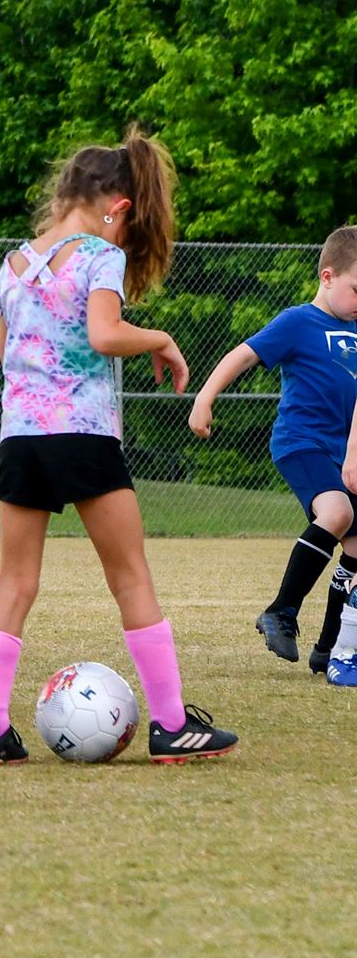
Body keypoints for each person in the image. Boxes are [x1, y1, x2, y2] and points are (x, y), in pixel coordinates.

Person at [0, 130, 235, 765]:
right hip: (83, 435)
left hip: (20, 439)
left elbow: (7, 354)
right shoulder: (98, 257)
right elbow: (105, 333)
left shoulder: (13, 263)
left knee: (14, 582)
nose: (124, 236)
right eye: (126, 221)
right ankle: (171, 724)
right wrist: (161, 337)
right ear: (116, 205)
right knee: (130, 575)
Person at [190, 224, 357, 677]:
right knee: (337, 513)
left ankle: (329, 647)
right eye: (356, 288)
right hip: (301, 442)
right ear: (327, 277)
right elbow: (241, 355)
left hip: (344, 454)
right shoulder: (299, 321)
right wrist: (205, 398)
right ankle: (281, 611)